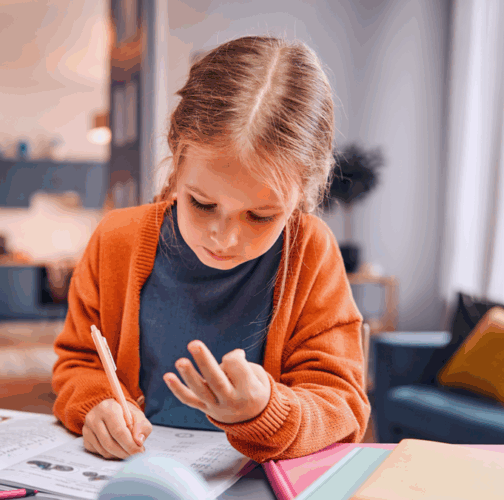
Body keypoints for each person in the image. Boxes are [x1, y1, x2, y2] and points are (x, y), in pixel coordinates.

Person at [51, 35, 370, 463]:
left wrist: (268, 411)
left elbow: (342, 404)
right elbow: (78, 363)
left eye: (260, 216)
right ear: (176, 160)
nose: (224, 238)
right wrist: (97, 406)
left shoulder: (310, 253)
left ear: (303, 195)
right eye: (201, 204)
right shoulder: (116, 240)